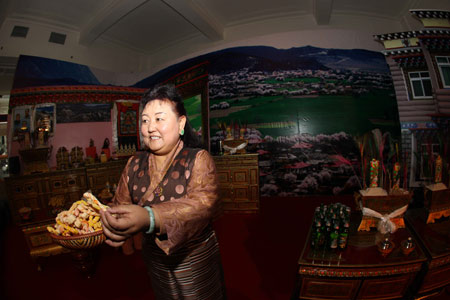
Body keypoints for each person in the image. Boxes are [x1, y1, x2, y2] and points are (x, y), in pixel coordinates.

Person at [100, 84, 226, 299]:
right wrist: (112, 224)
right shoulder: (134, 163)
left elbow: (203, 204)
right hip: (155, 259)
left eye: (159, 119)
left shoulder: (198, 158)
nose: (150, 128)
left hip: (194, 259)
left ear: (181, 123)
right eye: (145, 120)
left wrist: (150, 216)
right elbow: (118, 204)